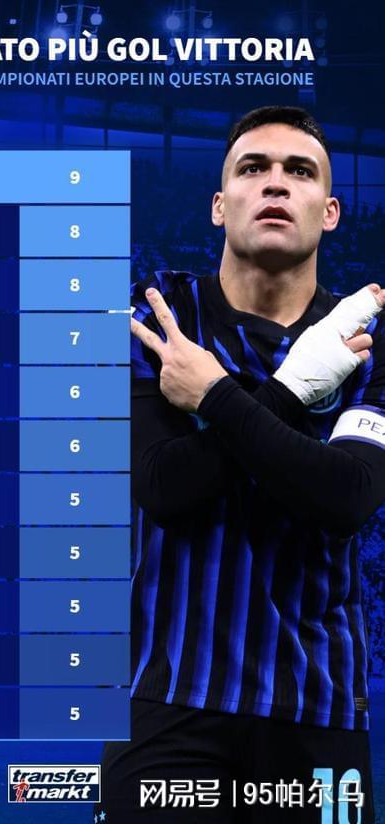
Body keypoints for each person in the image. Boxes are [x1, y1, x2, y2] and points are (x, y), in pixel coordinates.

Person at [95, 107, 385, 822]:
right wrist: (291, 391)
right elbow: (165, 487)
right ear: (220, 206)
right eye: (253, 168)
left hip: (318, 705)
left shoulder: (368, 344)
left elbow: (347, 496)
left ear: (331, 211)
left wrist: (214, 397)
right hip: (170, 699)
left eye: (300, 171)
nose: (275, 184)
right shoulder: (159, 315)